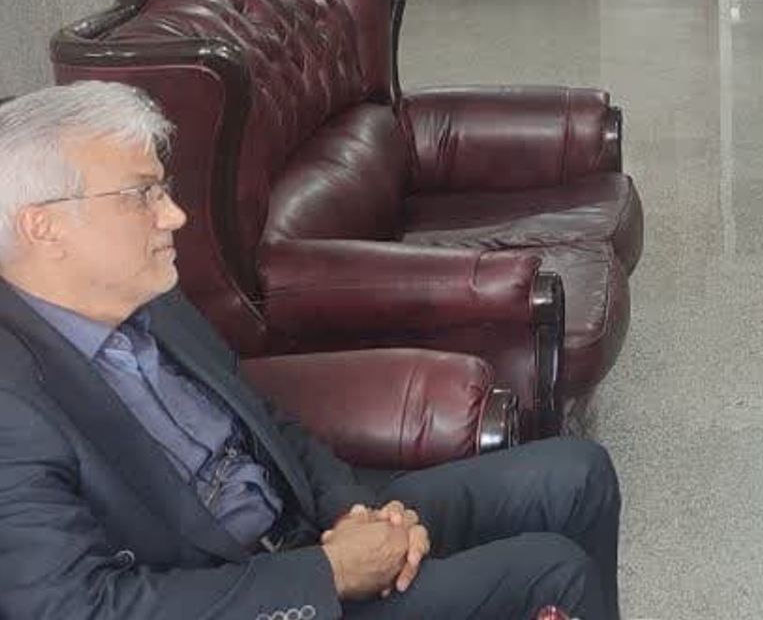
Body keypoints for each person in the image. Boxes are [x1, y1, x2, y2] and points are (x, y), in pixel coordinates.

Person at [0, 82, 623, 620]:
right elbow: (77, 607)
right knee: (553, 572)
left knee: (577, 474)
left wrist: (355, 515)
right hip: (250, 594)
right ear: (43, 226)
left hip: (308, 528)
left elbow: (270, 423)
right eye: (141, 195)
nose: (174, 216)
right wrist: (327, 574)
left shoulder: (151, 300)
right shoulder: (14, 405)